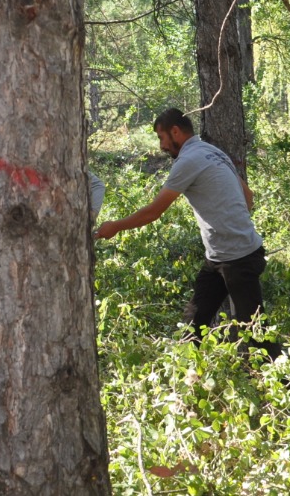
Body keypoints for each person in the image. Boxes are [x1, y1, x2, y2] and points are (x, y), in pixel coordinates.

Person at [94, 108, 273, 350]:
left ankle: (283, 381)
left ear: (175, 131)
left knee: (254, 335)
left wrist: (115, 226)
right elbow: (248, 198)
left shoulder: (188, 160)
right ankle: (189, 378)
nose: (161, 146)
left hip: (239, 258)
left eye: (161, 138)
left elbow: (154, 211)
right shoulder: (213, 152)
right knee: (193, 323)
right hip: (219, 258)